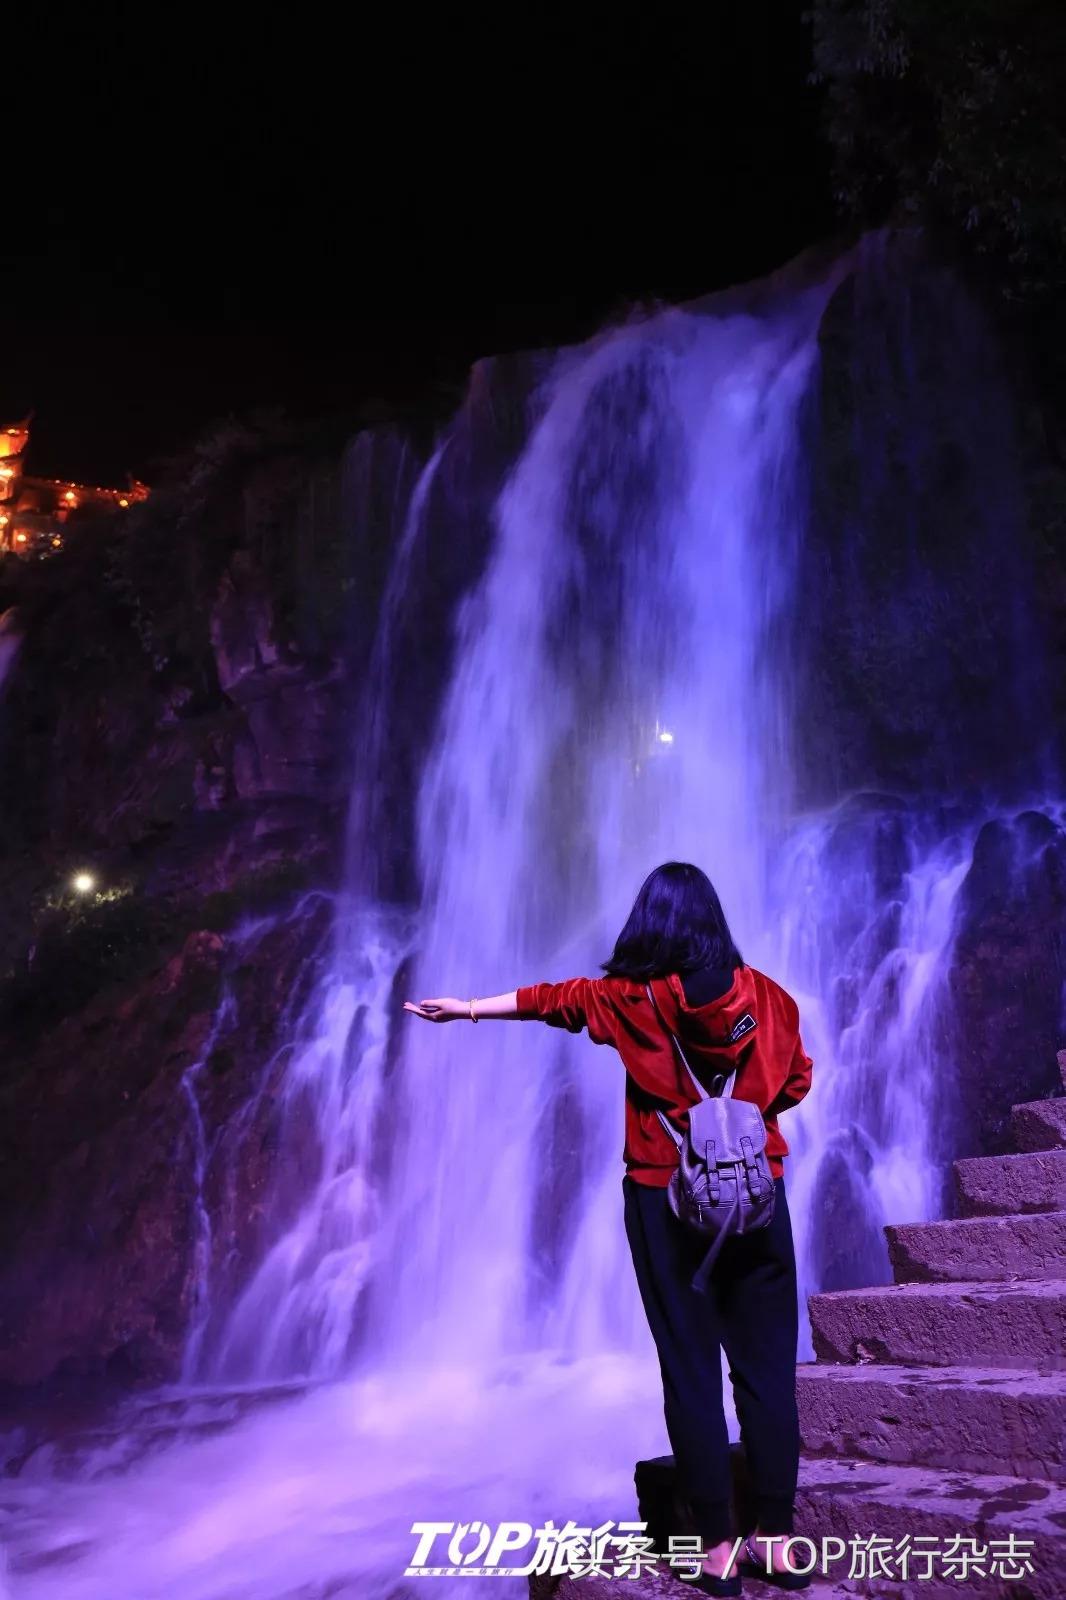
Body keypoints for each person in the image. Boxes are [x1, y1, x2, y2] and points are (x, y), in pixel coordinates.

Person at [404, 861, 814, 1596]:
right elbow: (797, 1083)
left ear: (651, 924)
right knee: (766, 1370)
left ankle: (716, 1548)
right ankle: (777, 1541)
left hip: (664, 1197)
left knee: (690, 1370)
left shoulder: (632, 1001)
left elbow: (550, 1001)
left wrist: (466, 1008)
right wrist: (741, 1119)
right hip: (758, 1199)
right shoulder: (774, 1002)